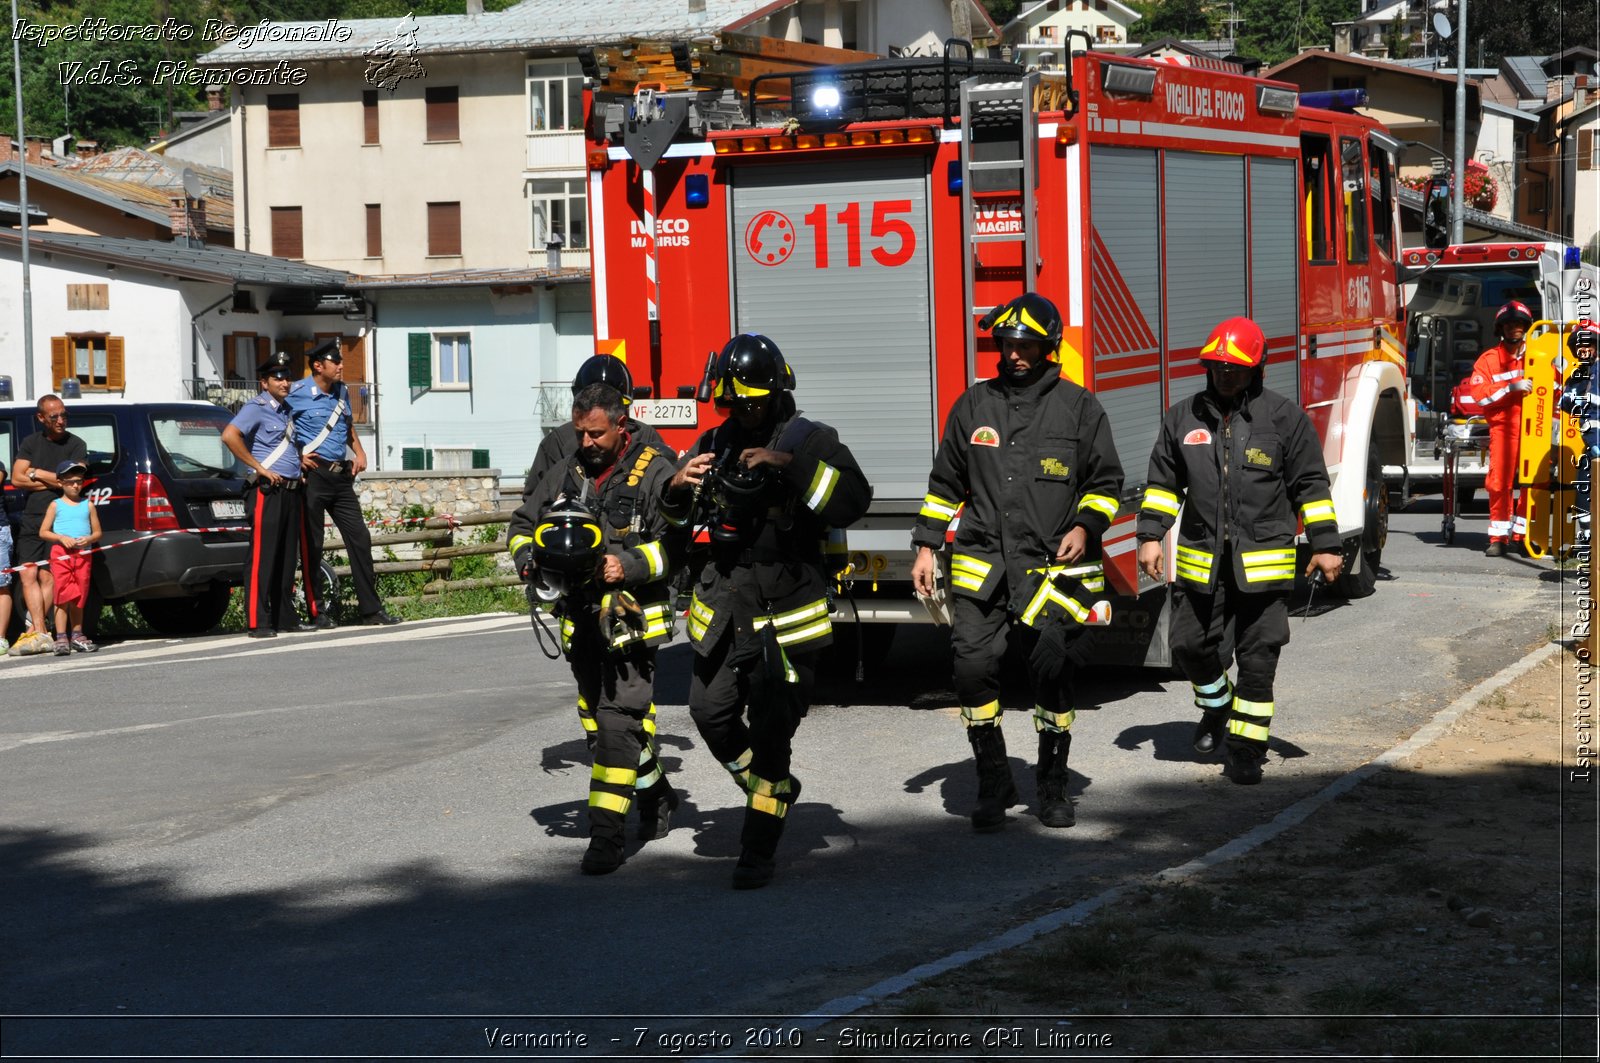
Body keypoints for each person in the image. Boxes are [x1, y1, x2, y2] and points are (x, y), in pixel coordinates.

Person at [660, 333, 871, 888]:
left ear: (776, 392)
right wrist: (679, 485)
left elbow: (854, 500)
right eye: (732, 403)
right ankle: (770, 789)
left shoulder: (812, 439)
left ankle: (757, 849)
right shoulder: (714, 440)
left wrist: (789, 464)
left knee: (774, 729)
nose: (740, 414)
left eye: (750, 402)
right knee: (708, 712)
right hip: (726, 604)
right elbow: (677, 523)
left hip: (787, 608)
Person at [910, 292, 1124, 832]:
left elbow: (1105, 484)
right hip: (983, 564)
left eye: (1026, 345)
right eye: (1007, 344)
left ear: (1048, 347)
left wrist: (1084, 525)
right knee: (971, 669)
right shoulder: (974, 405)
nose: (1015, 354)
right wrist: (926, 544)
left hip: (1050, 569)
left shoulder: (1079, 408)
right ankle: (993, 779)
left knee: (1051, 673)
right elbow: (945, 485)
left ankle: (1051, 788)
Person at [1136, 317, 1343, 786]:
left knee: (1258, 658)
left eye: (1235, 367)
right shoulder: (1183, 417)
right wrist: (1151, 535)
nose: (1225, 374)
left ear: (1257, 368)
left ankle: (1247, 749)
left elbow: (1310, 485)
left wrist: (1326, 544)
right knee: (1188, 645)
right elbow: (1163, 485)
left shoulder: (1283, 418)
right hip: (1202, 562)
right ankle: (1216, 707)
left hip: (1263, 566)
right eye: (1218, 366)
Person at [509, 382, 681, 875]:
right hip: (579, 619)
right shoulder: (567, 472)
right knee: (606, 722)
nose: (586, 443)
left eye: (596, 434)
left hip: (632, 620)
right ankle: (656, 794)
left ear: (620, 427)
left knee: (616, 723)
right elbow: (523, 524)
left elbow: (679, 547)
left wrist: (625, 565)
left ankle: (606, 836)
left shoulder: (654, 470)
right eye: (581, 433)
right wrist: (529, 563)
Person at [522, 353, 666, 744]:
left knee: (624, 690)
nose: (587, 442)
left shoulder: (646, 446)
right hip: (575, 590)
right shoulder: (563, 448)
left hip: (624, 589)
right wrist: (535, 559)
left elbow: (663, 509)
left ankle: (627, 755)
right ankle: (612, 746)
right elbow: (533, 510)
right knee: (591, 683)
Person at [285, 339, 400, 626]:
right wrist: (296, 457)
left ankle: (371, 610)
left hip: (340, 476)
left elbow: (346, 426)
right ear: (318, 365)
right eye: (335, 362)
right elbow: (277, 429)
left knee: (360, 538)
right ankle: (317, 611)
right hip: (313, 476)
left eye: (340, 361)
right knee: (312, 545)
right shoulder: (296, 393)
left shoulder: (340, 393)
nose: (341, 366)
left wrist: (359, 451)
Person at [225, 352, 318, 638]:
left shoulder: (286, 410)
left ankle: (284, 616)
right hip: (268, 490)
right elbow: (229, 435)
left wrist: (297, 462)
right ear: (264, 382)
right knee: (263, 557)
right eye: (278, 377)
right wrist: (259, 468)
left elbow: (285, 445)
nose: (285, 381)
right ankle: (257, 620)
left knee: (286, 558)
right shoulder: (256, 407)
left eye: (288, 376)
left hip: (291, 489)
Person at [8, 394, 88, 656]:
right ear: (41, 418)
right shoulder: (31, 442)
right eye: (54, 416)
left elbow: (73, 478)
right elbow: (18, 479)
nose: (61, 420)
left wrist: (37, 472)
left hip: (61, 519)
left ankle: (54, 631)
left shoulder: (76, 443)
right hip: (33, 516)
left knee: (49, 576)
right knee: (27, 573)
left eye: (64, 415)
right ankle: (41, 630)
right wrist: (54, 478)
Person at [1456, 301, 1536, 556]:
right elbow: (1479, 395)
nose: (1515, 328)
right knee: (1498, 483)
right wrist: (1510, 387)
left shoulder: (1539, 354)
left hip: (1535, 428)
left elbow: (1556, 388)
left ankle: (1523, 535)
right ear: (1501, 328)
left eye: (1520, 324)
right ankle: (1498, 538)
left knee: (1533, 482)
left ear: (1527, 327)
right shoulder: (1488, 360)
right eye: (1510, 324)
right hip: (1503, 428)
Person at [37, 460, 102, 655]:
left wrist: (88, 538)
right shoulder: (55, 505)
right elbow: (43, 532)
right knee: (62, 595)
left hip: (83, 555)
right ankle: (61, 637)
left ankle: (77, 635)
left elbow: (98, 533)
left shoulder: (88, 505)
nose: (76, 485)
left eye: (79, 481)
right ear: (60, 483)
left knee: (79, 595)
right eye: (71, 481)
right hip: (61, 555)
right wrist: (61, 537)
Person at [1557, 320, 1600, 546]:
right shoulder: (1576, 377)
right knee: (1583, 494)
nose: (1584, 350)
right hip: (1590, 447)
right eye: (1580, 347)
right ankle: (1586, 542)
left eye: (1589, 345)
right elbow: (1564, 401)